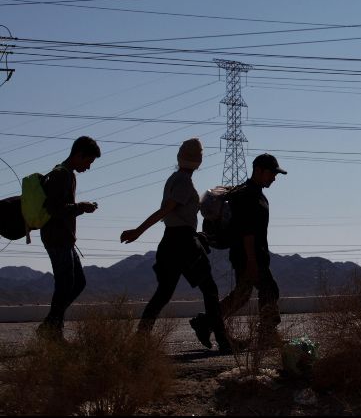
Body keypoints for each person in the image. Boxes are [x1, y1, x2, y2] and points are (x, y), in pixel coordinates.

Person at [120, 138, 231, 353]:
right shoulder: (183, 182)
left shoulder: (175, 178)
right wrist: (138, 231)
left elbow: (170, 213)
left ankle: (140, 339)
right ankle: (223, 341)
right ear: (199, 162)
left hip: (171, 242)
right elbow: (166, 210)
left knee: (163, 293)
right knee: (209, 289)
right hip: (184, 243)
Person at [189, 153, 287, 349]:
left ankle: (206, 322)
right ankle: (267, 334)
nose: (274, 178)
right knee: (269, 290)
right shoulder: (247, 196)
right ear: (258, 170)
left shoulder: (254, 194)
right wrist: (251, 261)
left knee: (242, 295)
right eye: (271, 173)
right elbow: (247, 232)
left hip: (251, 255)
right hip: (249, 256)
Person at [36, 136, 101, 341]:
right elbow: (53, 208)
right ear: (79, 155)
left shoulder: (67, 174)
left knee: (77, 282)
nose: (88, 167)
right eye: (88, 161)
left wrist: (78, 208)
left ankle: (50, 325)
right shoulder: (61, 175)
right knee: (65, 285)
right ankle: (52, 331)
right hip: (56, 238)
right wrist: (80, 207)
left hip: (64, 239)